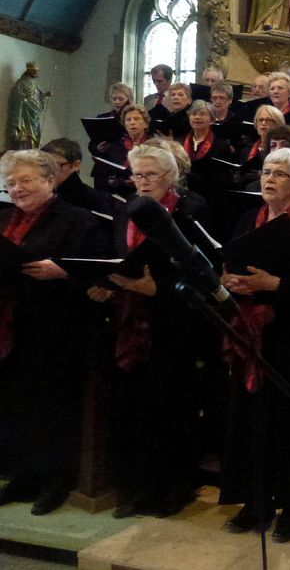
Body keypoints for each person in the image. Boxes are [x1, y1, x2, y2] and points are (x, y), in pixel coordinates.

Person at [86, 144, 208, 519]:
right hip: (129, 325)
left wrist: (159, 290)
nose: (141, 182)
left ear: (170, 177)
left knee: (169, 410)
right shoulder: (125, 212)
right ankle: (137, 488)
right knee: (131, 409)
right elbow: (116, 258)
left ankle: (172, 488)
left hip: (173, 326)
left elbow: (203, 274)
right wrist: (106, 285)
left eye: (150, 175)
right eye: (136, 175)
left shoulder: (189, 213)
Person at [220, 148, 290, 542]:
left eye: (281, 174)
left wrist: (276, 285)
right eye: (267, 172)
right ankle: (256, 501)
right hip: (251, 334)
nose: (269, 179)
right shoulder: (245, 219)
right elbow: (230, 266)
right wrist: (231, 282)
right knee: (250, 420)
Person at [0, 150, 103, 515]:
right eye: (11, 183)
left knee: (53, 408)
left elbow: (96, 275)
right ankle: (23, 476)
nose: (17, 189)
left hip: (57, 327)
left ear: (49, 180)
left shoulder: (76, 220)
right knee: (16, 404)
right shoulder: (4, 219)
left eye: (26, 180)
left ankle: (56, 480)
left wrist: (63, 273)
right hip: (12, 326)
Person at [41, 138, 111, 214]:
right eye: (43, 166)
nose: (47, 172)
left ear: (75, 165)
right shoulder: (48, 192)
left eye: (55, 165)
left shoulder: (88, 200)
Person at [6, 62, 47, 149]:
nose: (36, 73)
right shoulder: (20, 82)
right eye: (34, 71)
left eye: (36, 71)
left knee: (32, 139)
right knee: (23, 139)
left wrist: (44, 96)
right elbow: (16, 97)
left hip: (33, 113)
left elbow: (37, 96)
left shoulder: (34, 83)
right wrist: (25, 98)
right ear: (29, 71)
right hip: (24, 112)